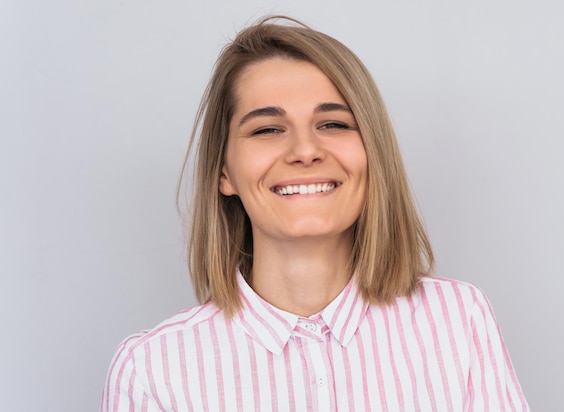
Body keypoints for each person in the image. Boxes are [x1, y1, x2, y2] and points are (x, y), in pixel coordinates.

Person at [101, 16, 529, 411]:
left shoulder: (458, 320)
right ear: (224, 172)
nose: (306, 151)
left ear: (372, 154)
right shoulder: (153, 372)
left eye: (334, 124)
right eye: (268, 129)